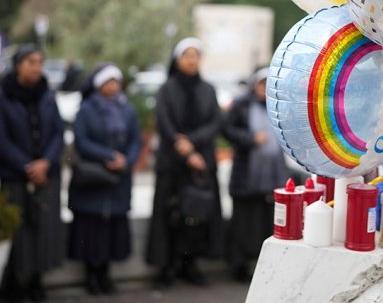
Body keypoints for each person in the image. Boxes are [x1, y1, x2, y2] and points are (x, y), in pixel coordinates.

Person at [0, 45, 65, 302]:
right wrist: (28, 166)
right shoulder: (2, 96)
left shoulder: (47, 95)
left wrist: (46, 162)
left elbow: (58, 132)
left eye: (40, 62)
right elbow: (0, 138)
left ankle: (36, 281)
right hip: (15, 176)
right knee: (17, 230)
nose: (36, 67)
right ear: (19, 65)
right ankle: (14, 283)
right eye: (31, 62)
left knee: (43, 229)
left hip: (47, 175)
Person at [146, 38, 223, 289]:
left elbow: (214, 123)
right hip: (172, 164)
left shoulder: (208, 90)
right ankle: (166, 267)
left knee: (197, 218)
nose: (192, 60)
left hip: (201, 165)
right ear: (177, 60)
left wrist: (192, 143)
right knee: (170, 215)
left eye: (196, 55)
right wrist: (184, 150)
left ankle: (191, 266)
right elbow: (165, 123)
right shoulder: (167, 89)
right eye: (187, 55)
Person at [68, 64, 143, 295]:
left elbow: (136, 140)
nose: (112, 86)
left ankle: (105, 275)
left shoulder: (127, 109)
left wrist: (126, 161)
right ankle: (91, 275)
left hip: (119, 179)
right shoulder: (87, 109)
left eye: (115, 82)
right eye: (107, 82)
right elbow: (82, 140)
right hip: (95, 178)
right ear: (98, 84)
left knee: (112, 230)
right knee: (92, 230)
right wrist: (109, 156)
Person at [222, 67, 289, 281]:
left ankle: (262, 263)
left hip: (271, 175)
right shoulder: (242, 105)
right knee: (242, 221)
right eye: (261, 83)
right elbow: (227, 130)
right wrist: (250, 139)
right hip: (246, 176)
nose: (264, 88)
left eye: (268, 83)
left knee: (265, 221)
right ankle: (238, 265)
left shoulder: (278, 105)